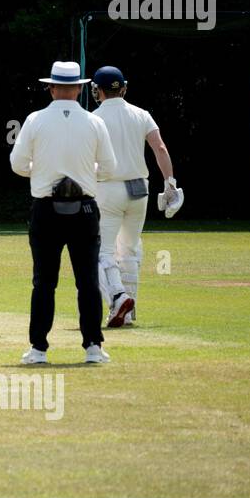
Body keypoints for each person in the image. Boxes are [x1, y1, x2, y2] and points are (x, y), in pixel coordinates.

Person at [9, 62, 117, 363]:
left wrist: (39, 172)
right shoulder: (94, 122)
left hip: (46, 208)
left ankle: (39, 349)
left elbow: (18, 164)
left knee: (44, 281)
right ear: (80, 89)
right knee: (87, 281)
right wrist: (85, 175)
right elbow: (109, 168)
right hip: (84, 208)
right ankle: (93, 347)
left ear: (52, 87)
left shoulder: (35, 120)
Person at [90, 66, 181, 327]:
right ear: (124, 87)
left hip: (108, 188)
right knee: (129, 249)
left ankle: (118, 301)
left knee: (103, 252)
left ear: (97, 90)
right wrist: (170, 183)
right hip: (139, 189)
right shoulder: (141, 114)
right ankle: (128, 312)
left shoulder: (94, 118)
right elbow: (160, 148)